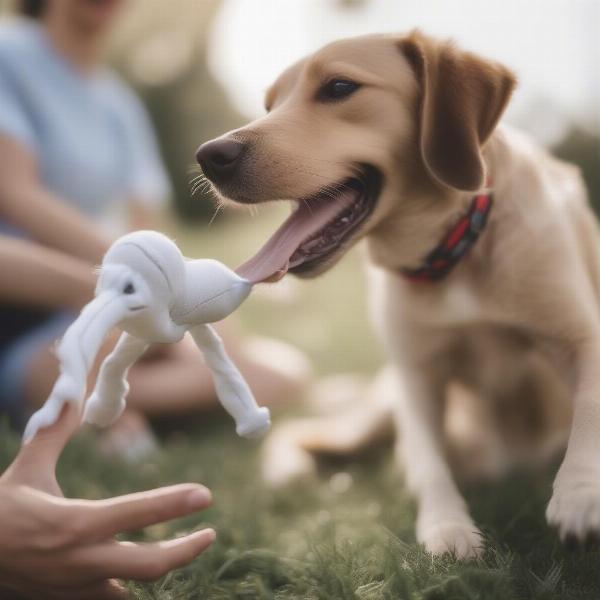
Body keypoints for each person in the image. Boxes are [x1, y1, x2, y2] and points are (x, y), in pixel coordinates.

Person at [0, 0, 310, 452]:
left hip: (107, 310)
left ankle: (105, 406)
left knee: (282, 372)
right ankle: (84, 401)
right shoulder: (9, 55)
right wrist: (141, 277)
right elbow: (17, 196)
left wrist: (174, 289)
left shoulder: (119, 102)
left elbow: (147, 226)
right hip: (26, 307)